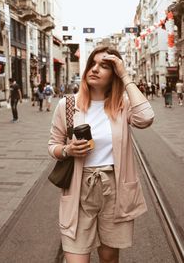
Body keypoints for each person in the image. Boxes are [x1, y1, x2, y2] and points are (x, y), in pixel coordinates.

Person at [48, 46, 154, 263]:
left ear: (114, 74)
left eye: (104, 66)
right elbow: (53, 145)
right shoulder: (67, 105)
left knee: (109, 258)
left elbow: (146, 118)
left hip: (114, 189)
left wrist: (125, 75)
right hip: (79, 189)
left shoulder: (122, 105)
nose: (95, 69)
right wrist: (68, 150)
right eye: (92, 64)